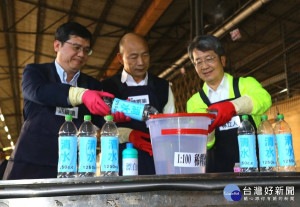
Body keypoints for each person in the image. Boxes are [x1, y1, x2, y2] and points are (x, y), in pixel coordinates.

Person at [3, 22, 115, 180]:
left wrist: (116, 119)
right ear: (57, 45)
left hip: (70, 169)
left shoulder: (92, 85)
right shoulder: (35, 72)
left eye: (86, 50)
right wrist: (81, 95)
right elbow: (39, 93)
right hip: (29, 165)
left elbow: (100, 121)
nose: (82, 54)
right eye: (76, 47)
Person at [186, 35, 272, 173]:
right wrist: (207, 131)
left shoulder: (245, 84)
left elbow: (264, 99)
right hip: (217, 177)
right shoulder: (194, 102)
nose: (205, 66)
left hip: (254, 172)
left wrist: (232, 107)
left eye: (209, 59)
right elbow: (204, 146)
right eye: (198, 62)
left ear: (222, 60)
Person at [102, 33, 176, 175]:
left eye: (145, 55)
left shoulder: (162, 87)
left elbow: (171, 127)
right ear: (120, 58)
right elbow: (100, 130)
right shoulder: (108, 88)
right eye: (133, 57)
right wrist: (126, 134)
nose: (141, 62)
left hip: (157, 163)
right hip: (118, 163)